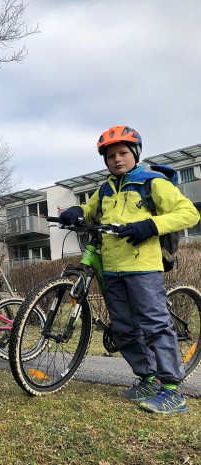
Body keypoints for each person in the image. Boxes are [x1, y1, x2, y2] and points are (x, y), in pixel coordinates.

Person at [59, 125, 200, 414]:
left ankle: (173, 391)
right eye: (111, 156)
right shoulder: (105, 188)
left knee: (154, 325)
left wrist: (151, 225)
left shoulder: (152, 183)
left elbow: (189, 213)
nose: (117, 159)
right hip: (111, 269)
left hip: (143, 267)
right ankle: (148, 379)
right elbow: (89, 212)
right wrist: (75, 211)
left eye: (123, 153)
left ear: (135, 153)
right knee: (123, 329)